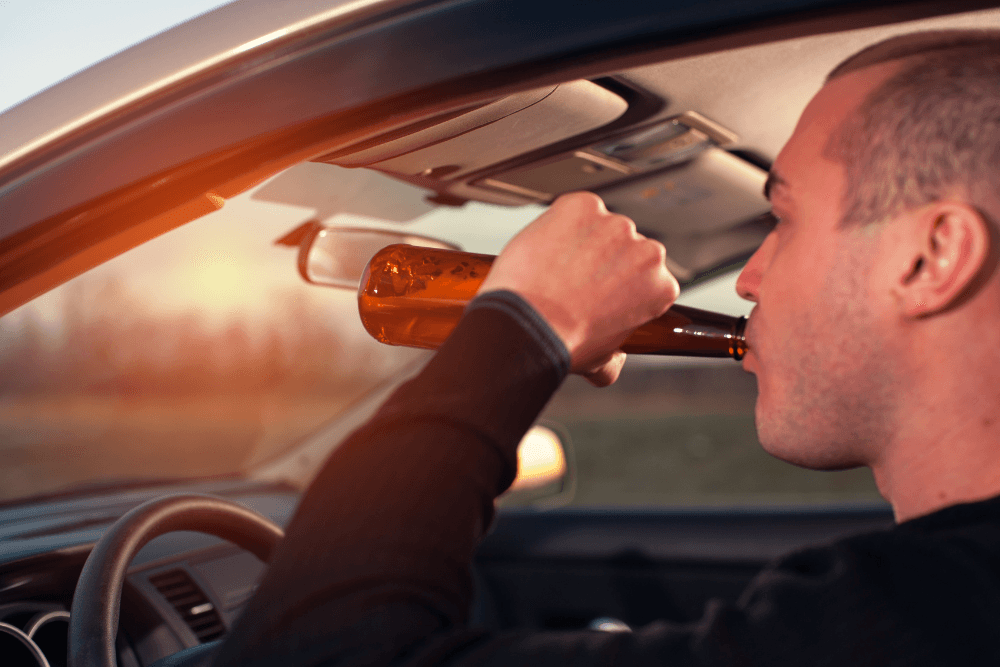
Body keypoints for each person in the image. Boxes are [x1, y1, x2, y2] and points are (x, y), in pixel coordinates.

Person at [214, 30, 1000, 666]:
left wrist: (528, 321)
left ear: (930, 259)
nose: (751, 279)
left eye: (783, 219)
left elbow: (306, 650)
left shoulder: (915, 618)